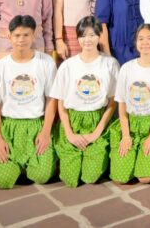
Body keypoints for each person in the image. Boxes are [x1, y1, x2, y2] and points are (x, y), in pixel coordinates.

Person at [0, 15, 58, 190]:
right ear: (9, 37)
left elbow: (51, 100)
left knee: (42, 175)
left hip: (36, 125)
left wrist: (46, 132)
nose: (21, 40)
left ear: (34, 36)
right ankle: (16, 166)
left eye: (26, 35)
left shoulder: (46, 63)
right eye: (17, 35)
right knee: (3, 180)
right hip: (9, 127)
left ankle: (29, 165)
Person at [51, 17, 120, 187]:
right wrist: (69, 133)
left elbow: (113, 102)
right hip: (72, 121)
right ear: (77, 38)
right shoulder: (67, 66)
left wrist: (96, 132)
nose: (87, 40)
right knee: (70, 178)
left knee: (90, 176)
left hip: (98, 120)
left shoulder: (110, 63)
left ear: (99, 36)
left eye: (92, 35)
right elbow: (60, 102)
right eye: (82, 35)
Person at [108, 23, 150, 184]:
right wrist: (126, 135)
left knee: (145, 178)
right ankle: (133, 155)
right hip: (130, 124)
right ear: (136, 42)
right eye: (141, 39)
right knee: (120, 177)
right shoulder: (126, 68)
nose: (145, 42)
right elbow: (122, 105)